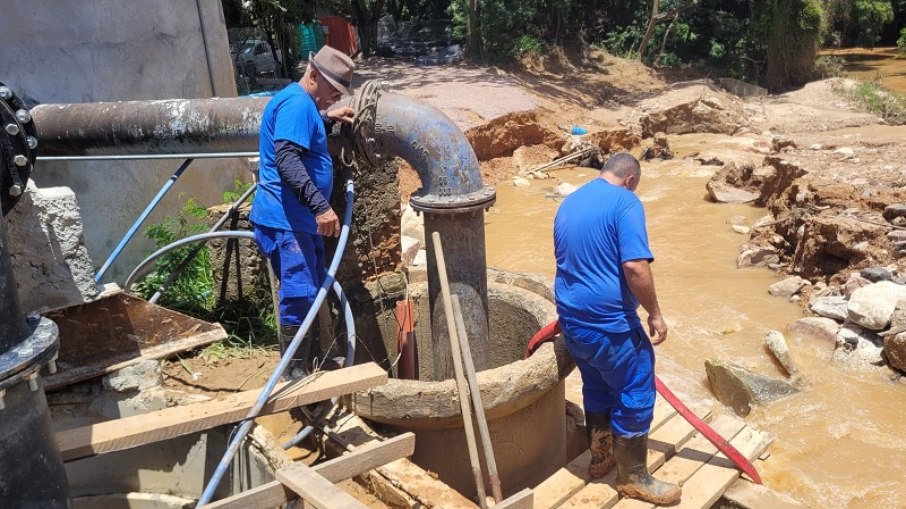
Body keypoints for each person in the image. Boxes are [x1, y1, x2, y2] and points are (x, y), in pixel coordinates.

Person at [553, 152, 681, 504]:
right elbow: (635, 267)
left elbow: (569, 262)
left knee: (596, 385)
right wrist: (654, 313)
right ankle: (632, 477)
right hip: (610, 325)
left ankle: (600, 459)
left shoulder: (571, 201)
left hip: (573, 322)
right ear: (630, 180)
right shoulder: (626, 203)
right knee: (635, 389)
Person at [250, 46, 356, 373]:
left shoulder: (303, 105)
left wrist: (324, 119)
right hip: (287, 220)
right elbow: (287, 159)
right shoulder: (297, 103)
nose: (334, 99)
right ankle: (293, 373)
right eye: (332, 92)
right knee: (299, 293)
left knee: (308, 290)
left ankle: (304, 364)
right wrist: (321, 206)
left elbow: (300, 139)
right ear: (313, 76)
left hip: (296, 220)